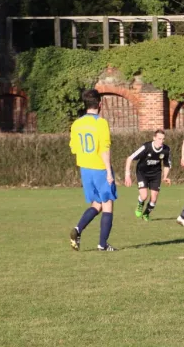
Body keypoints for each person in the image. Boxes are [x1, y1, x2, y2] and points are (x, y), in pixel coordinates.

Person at [68, 89, 118, 252]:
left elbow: (73, 148)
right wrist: (109, 172)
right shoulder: (100, 123)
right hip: (99, 168)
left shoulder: (77, 124)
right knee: (108, 204)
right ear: (100, 104)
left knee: (97, 204)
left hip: (85, 168)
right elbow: (104, 148)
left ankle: (78, 229)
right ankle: (102, 244)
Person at [123, 129, 172, 221]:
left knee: (153, 199)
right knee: (144, 196)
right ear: (154, 138)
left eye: (163, 139)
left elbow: (167, 164)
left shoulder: (166, 150)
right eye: (159, 139)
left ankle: (146, 214)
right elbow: (129, 158)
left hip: (156, 174)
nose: (161, 141)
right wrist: (127, 175)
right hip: (142, 173)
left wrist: (165, 177)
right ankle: (140, 203)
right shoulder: (146, 147)